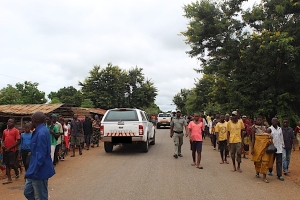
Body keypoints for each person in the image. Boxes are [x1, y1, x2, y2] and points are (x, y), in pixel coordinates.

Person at [24, 111, 55, 199]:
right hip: (34, 169)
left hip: (39, 170)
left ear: (34, 121)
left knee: (41, 196)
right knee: (28, 192)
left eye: (31, 120)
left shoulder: (41, 133)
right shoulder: (39, 130)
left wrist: (33, 171)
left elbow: (40, 156)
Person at [251, 116, 273, 183]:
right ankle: (257, 172)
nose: (259, 121)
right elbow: (253, 139)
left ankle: (264, 177)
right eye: (258, 120)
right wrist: (252, 148)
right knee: (257, 161)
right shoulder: (254, 128)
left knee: (265, 161)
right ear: (256, 121)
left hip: (265, 148)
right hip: (257, 147)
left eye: (261, 120)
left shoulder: (265, 128)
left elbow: (269, 136)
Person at [1, 119, 20, 184]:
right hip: (5, 150)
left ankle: (16, 171)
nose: (9, 123)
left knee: (11, 163)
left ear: (14, 124)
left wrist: (10, 148)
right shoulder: (5, 131)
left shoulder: (16, 131)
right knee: (7, 164)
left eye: (11, 122)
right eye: (8, 121)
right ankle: (9, 178)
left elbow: (18, 141)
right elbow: (2, 140)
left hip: (12, 150)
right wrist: (3, 145)